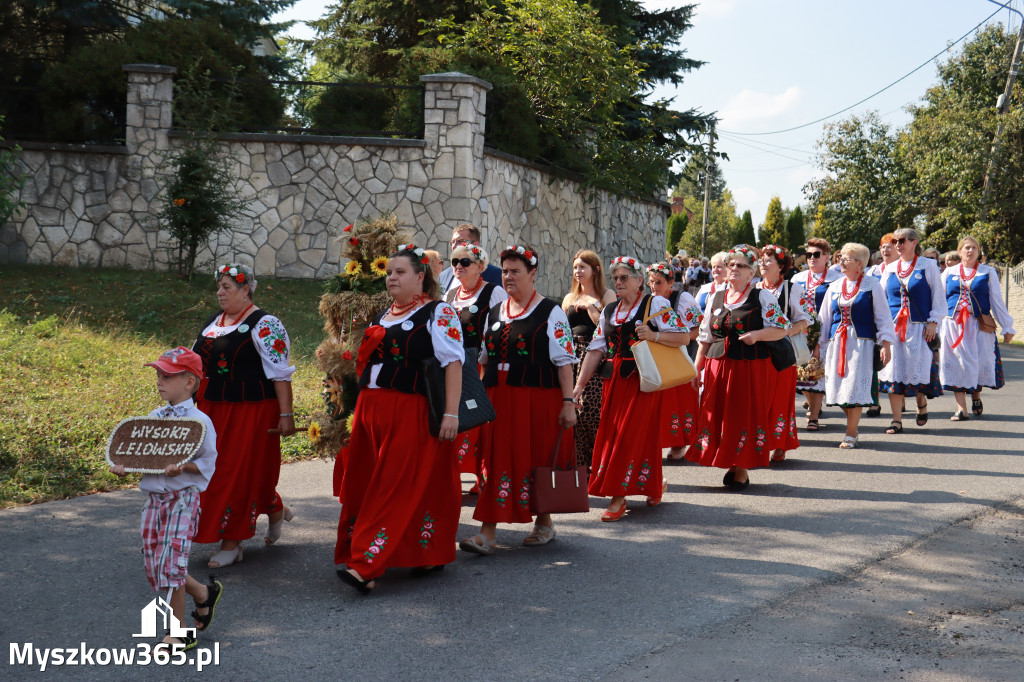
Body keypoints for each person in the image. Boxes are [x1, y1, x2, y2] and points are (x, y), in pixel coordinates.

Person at [335, 244, 465, 594]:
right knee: (371, 480)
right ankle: (426, 551)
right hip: (370, 410)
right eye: (389, 272)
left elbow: (453, 364)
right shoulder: (382, 315)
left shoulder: (439, 313)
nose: (392, 277)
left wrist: (451, 413)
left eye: (400, 272)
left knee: (393, 485)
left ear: (420, 277)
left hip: (409, 411)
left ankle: (366, 564)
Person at [460, 245, 577, 554]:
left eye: (516, 271)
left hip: (538, 401)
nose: (509, 277)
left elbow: (565, 362)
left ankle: (544, 522)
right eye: (505, 271)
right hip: (499, 401)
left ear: (533, 274)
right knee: (495, 459)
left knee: (537, 456)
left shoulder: (551, 312)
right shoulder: (495, 313)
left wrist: (568, 403)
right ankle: (487, 532)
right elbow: (484, 358)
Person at [110, 347, 223, 651]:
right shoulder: (153, 418)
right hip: (154, 502)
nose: (160, 380)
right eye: (158, 374)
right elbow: (141, 456)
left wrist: (184, 467)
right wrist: (124, 465)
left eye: (168, 376)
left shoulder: (200, 422)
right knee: (157, 566)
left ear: (189, 382)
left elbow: (208, 463)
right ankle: (202, 593)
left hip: (182, 500)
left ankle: (178, 633)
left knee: (171, 566)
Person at [191, 264, 296, 569]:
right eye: (219, 287)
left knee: (235, 473)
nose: (220, 293)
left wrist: (286, 415)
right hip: (213, 409)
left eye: (226, 287)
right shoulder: (214, 322)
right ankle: (274, 509)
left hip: (251, 411)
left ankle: (232, 541)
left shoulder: (265, 324)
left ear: (245, 289)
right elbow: (197, 362)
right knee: (216, 470)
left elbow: (281, 375)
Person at [573, 256, 687, 521]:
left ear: (639, 281)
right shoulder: (610, 309)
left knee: (628, 435)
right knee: (621, 434)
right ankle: (654, 484)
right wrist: (579, 385)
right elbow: (596, 349)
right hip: (613, 382)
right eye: (616, 278)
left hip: (642, 380)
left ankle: (618, 498)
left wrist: (655, 335)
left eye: (625, 277)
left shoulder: (654, 303)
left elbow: (682, 335)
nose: (619, 282)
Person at [688, 246, 792, 489]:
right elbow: (705, 337)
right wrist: (697, 368)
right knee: (720, 414)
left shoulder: (761, 296)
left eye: (741, 265)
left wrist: (757, 334)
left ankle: (741, 466)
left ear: (751, 272)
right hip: (718, 365)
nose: (734, 269)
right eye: (731, 264)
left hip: (749, 367)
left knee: (743, 415)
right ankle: (729, 460)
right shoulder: (716, 297)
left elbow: (781, 328)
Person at [818, 244, 896, 448]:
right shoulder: (835, 286)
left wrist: (886, 344)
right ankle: (852, 427)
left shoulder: (872, 285)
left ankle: (851, 433)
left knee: (854, 387)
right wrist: (818, 345)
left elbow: (883, 317)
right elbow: (824, 319)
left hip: (862, 344)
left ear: (859, 264)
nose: (841, 262)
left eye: (846, 259)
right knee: (838, 389)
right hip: (837, 345)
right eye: (841, 258)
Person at [444, 243, 508, 490]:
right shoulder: (450, 295)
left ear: (480, 267)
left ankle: (483, 475)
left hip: (480, 365)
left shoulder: (493, 292)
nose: (458, 266)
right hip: (453, 365)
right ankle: (453, 473)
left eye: (465, 262)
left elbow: (498, 330)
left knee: (478, 419)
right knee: (455, 417)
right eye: (454, 262)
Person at [939, 236, 1016, 420]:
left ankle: (976, 395)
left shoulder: (987, 272)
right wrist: (933, 323)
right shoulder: (949, 272)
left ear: (978, 251)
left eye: (974, 247)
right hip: (953, 324)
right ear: (959, 251)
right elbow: (939, 300)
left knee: (978, 362)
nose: (970, 251)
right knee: (957, 362)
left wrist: (1007, 326)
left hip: (978, 324)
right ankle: (961, 409)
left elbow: (996, 301)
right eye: (966, 247)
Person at [878, 228, 945, 434]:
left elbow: (938, 296)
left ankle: (921, 400)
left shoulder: (928, 265)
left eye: (902, 240)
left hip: (919, 328)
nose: (898, 244)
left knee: (917, 369)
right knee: (893, 372)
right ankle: (896, 420)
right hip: (894, 328)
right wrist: (881, 329)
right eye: (895, 241)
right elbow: (881, 300)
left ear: (914, 242)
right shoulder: (890, 268)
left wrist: (933, 321)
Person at [561, 249, 617, 466]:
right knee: (571, 407)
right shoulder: (569, 297)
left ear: (595, 270)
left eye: (582, 267)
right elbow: (562, 328)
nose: (577, 271)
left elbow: (606, 328)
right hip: (571, 354)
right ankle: (579, 464)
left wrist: (591, 307)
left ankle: (599, 461)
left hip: (594, 353)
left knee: (591, 411)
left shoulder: (607, 295)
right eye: (575, 267)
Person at [757, 245, 812, 461]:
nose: (762, 263)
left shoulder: (791, 289)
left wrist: (786, 331)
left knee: (780, 400)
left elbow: (805, 318)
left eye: (768, 260)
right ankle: (760, 441)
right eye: (761, 259)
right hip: (759, 351)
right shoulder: (754, 288)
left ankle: (780, 443)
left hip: (782, 352)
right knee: (761, 399)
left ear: (780, 266)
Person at [646, 261, 702, 460]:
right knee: (658, 402)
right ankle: (658, 441)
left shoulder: (682, 299)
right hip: (656, 357)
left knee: (680, 400)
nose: (654, 287)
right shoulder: (648, 301)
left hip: (680, 355)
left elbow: (698, 328)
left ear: (671, 283)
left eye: (659, 282)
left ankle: (679, 442)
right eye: (651, 282)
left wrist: (678, 336)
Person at [792, 239, 841, 430]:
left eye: (816, 255)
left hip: (824, 328)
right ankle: (813, 405)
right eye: (809, 255)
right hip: (802, 330)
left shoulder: (835, 279)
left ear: (827, 257)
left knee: (818, 372)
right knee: (802, 373)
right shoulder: (799, 278)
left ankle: (813, 415)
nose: (812, 258)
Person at [865, 233, 897, 417]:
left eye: (890, 246)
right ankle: (874, 402)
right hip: (875, 321)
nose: (885, 249)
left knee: (894, 363)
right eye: (883, 246)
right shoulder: (873, 272)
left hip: (896, 320)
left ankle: (898, 396)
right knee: (874, 361)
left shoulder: (901, 270)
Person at [438, 223, 502, 292]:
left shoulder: (494, 274)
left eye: (460, 241)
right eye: (452, 242)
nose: (454, 246)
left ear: (475, 245)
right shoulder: (444, 275)